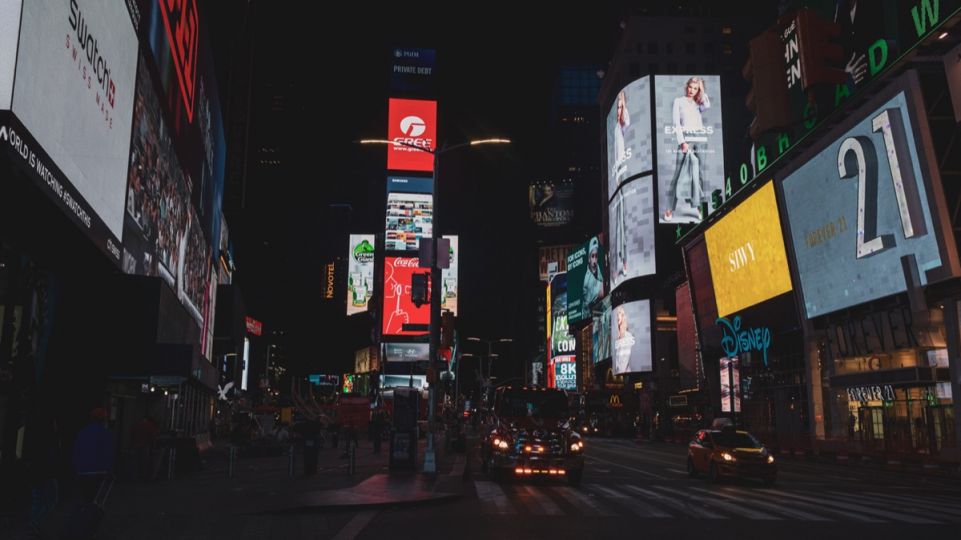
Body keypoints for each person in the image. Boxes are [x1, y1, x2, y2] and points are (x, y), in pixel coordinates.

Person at [664, 77, 710, 222]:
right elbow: (676, 123)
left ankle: (700, 208)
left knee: (700, 174)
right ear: (687, 86)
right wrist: (682, 141)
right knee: (677, 173)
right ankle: (669, 209)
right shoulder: (679, 101)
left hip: (701, 138)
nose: (692, 90)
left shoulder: (698, 103)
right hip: (686, 138)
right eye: (691, 87)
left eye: (695, 88)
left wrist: (701, 88)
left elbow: (707, 105)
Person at [70, 408, 115, 503]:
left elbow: (76, 451)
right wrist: (110, 469)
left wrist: (75, 467)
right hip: (99, 471)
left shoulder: (83, 432)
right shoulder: (106, 433)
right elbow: (108, 453)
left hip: (83, 470)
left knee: (85, 497)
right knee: (96, 499)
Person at [612, 89, 631, 187]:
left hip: (626, 165)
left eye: (621, 107)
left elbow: (627, 120)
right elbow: (616, 153)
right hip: (619, 168)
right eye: (618, 107)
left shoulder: (624, 124)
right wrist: (616, 175)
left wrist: (623, 101)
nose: (619, 110)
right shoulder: (616, 127)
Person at [131, 416, 158, 481]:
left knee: (136, 462)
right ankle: (143, 477)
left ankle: (135, 477)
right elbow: (152, 438)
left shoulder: (136, 425)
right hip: (145, 445)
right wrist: (153, 447)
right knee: (144, 462)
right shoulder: (150, 426)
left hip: (136, 445)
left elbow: (132, 434)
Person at [612, 305, 636, 374]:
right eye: (617, 313)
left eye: (620, 313)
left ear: (623, 316)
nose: (618, 315)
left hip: (625, 376)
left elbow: (622, 367)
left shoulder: (627, 337)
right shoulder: (616, 336)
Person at [582, 237, 604, 307]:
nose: (594, 259)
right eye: (592, 256)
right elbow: (602, 292)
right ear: (589, 259)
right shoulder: (586, 279)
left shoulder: (598, 268)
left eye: (596, 256)